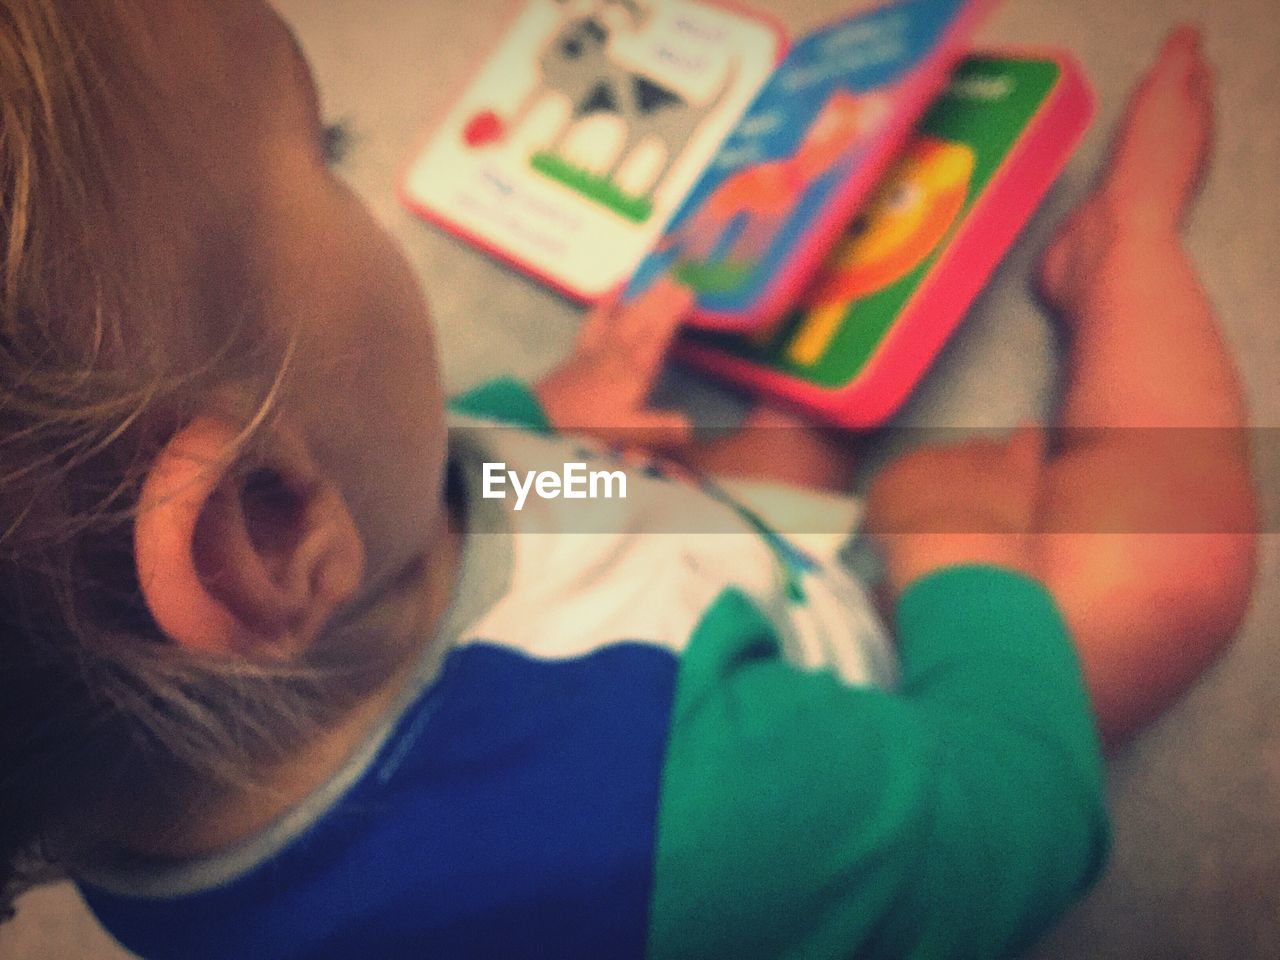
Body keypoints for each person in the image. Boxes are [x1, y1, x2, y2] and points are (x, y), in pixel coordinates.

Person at [0, 1, 1254, 957]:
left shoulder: (196, 715)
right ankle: (1124, 253)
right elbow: (1009, 828)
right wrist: (955, 558)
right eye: (323, 150)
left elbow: (435, 498)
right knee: (1167, 570)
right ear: (263, 527)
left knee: (737, 441)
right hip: (831, 704)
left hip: (647, 572)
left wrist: (541, 417)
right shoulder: (677, 815)